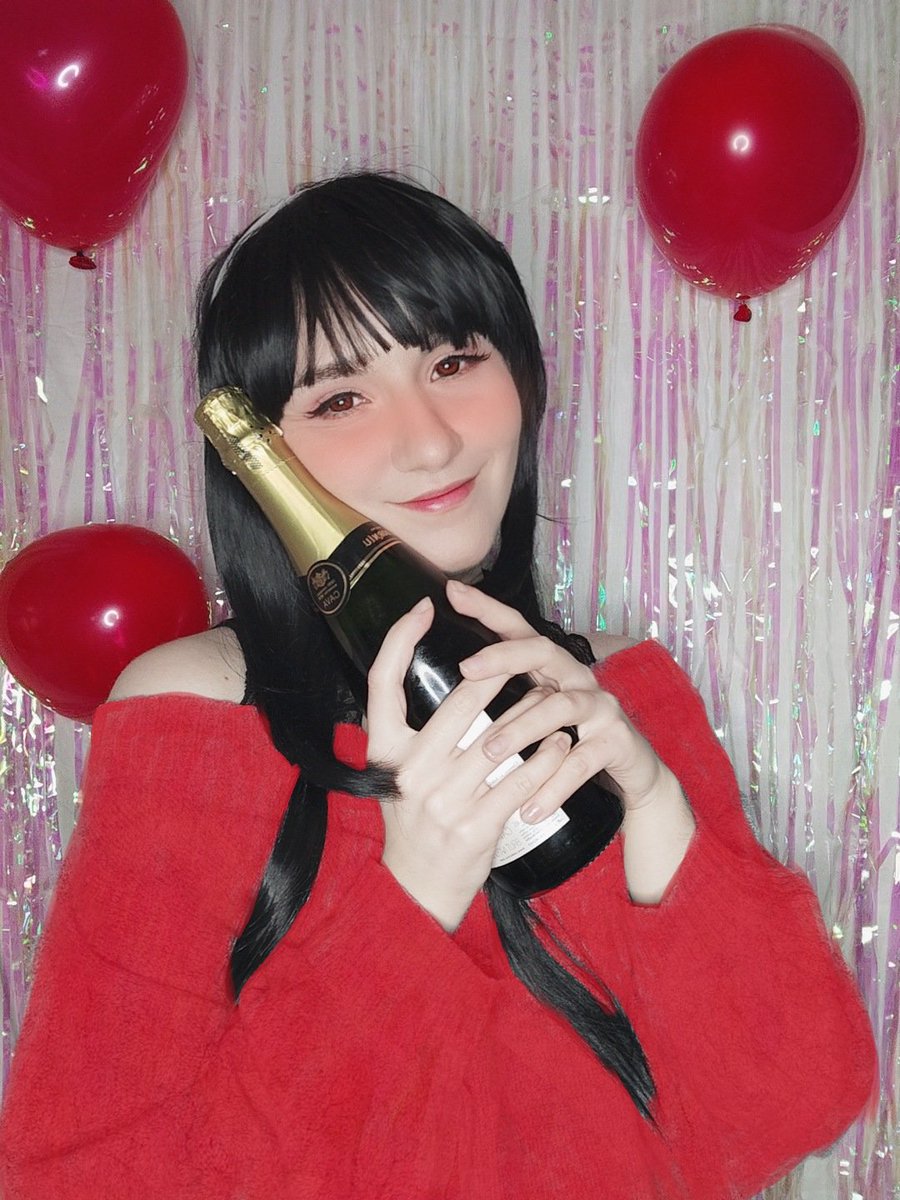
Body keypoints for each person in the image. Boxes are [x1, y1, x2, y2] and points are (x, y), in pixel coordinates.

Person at [0, 172, 876, 1199]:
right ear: (265, 459)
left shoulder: (617, 689)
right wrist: (410, 894)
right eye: (340, 398)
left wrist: (655, 810)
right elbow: (84, 1180)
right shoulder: (197, 715)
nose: (430, 440)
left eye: (454, 361)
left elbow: (795, 1106)